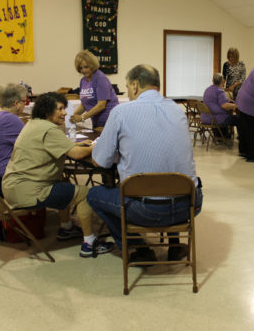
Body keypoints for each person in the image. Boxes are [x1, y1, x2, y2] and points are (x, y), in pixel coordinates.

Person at [86, 64, 203, 262]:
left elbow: (101, 161)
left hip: (146, 211)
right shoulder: (177, 111)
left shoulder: (120, 112)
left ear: (134, 85)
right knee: (167, 175)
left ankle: (136, 248)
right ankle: (174, 245)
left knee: (94, 195)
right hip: (190, 205)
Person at [2, 92, 113, 258]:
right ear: (47, 112)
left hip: (12, 187)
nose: (65, 113)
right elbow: (77, 154)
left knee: (62, 180)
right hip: (29, 192)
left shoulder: (33, 124)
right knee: (85, 193)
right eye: (60, 109)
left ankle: (66, 227)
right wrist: (97, 145)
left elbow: (61, 146)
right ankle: (89, 244)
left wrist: (78, 145)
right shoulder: (49, 130)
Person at [0, 83, 27, 178]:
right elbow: (30, 146)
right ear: (16, 104)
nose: (25, 105)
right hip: (5, 175)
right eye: (25, 101)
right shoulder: (11, 120)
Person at [69, 50, 119, 130]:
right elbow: (84, 104)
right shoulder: (83, 81)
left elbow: (101, 105)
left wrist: (82, 117)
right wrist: (72, 117)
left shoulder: (100, 78)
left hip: (108, 122)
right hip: (96, 122)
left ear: (92, 65)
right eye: (80, 68)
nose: (83, 71)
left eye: (86, 67)